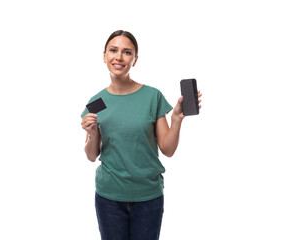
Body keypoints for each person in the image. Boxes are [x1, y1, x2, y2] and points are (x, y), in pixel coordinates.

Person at [80, 30, 202, 240]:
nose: (119, 57)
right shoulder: (96, 103)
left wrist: (177, 120)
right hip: (109, 197)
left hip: (148, 197)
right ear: (104, 56)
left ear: (135, 60)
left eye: (127, 52)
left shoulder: (151, 96)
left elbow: (168, 149)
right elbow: (92, 156)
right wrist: (91, 134)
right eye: (113, 50)